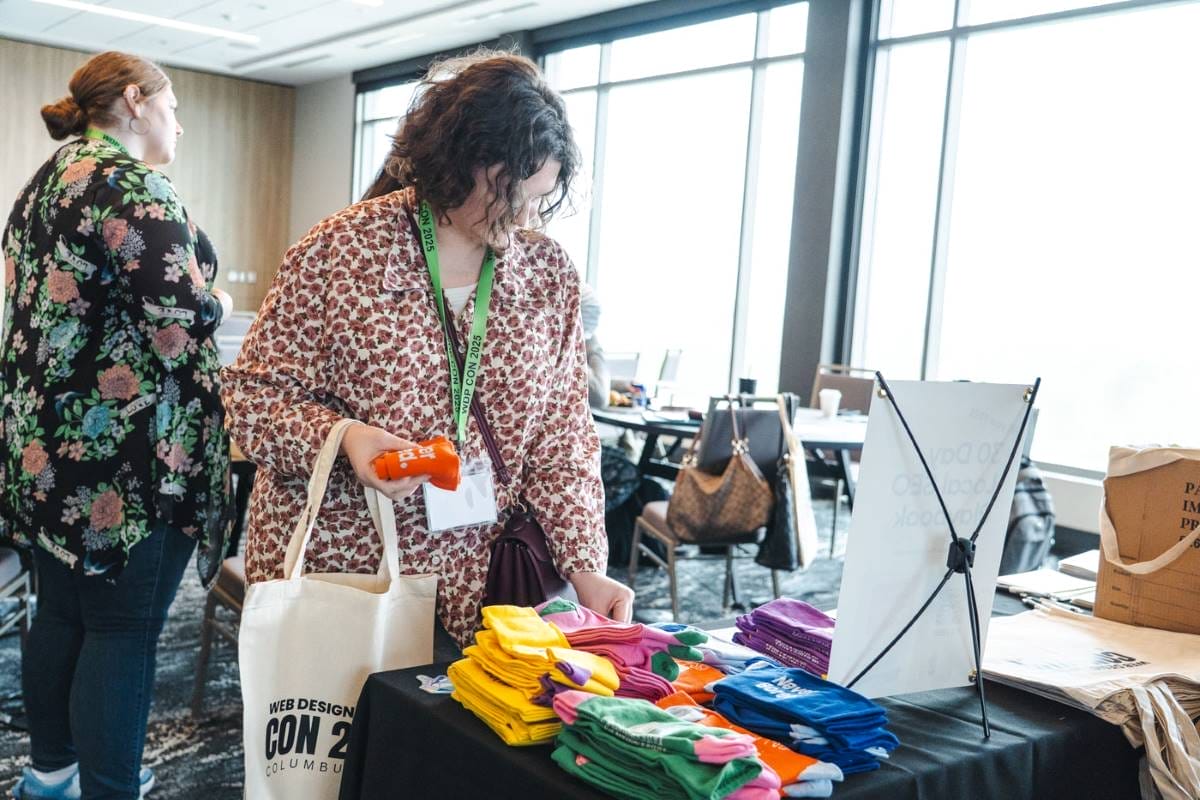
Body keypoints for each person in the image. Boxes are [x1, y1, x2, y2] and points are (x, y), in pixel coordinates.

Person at [221, 51, 632, 649]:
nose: (529, 215)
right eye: (519, 193)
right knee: (344, 737)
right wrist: (347, 441)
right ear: (467, 162)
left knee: (444, 738)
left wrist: (584, 562)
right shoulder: (342, 251)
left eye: (543, 197)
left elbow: (562, 432)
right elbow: (252, 400)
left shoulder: (547, 275)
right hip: (346, 566)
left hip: (477, 577)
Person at [0, 51, 233, 799]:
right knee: (122, 631)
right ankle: (110, 788)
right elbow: (183, 316)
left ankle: (51, 775)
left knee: (63, 613)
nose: (180, 123)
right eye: (173, 106)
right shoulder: (131, 183)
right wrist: (222, 306)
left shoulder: (47, 181)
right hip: (129, 455)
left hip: (50, 444)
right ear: (134, 101)